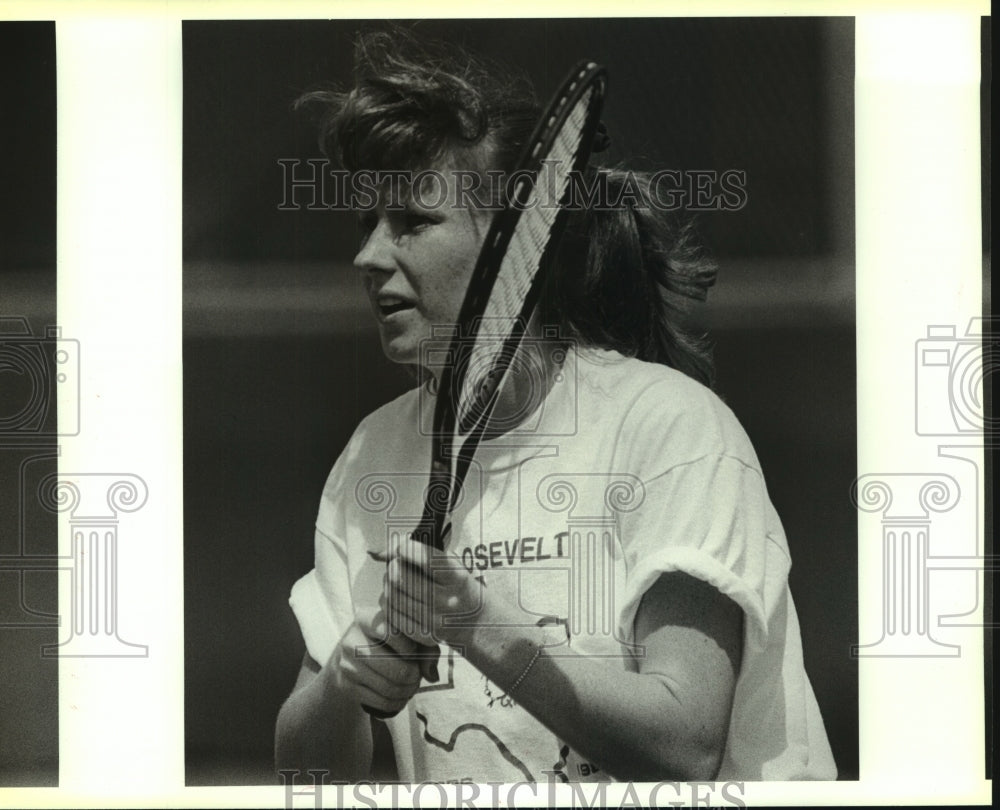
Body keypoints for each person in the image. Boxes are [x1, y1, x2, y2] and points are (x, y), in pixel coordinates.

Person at [275, 27, 837, 783]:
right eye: (367, 224)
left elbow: (685, 744)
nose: (369, 255)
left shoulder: (671, 428)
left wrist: (475, 623)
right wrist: (347, 683)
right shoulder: (369, 456)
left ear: (516, 242)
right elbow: (307, 779)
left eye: (413, 221)